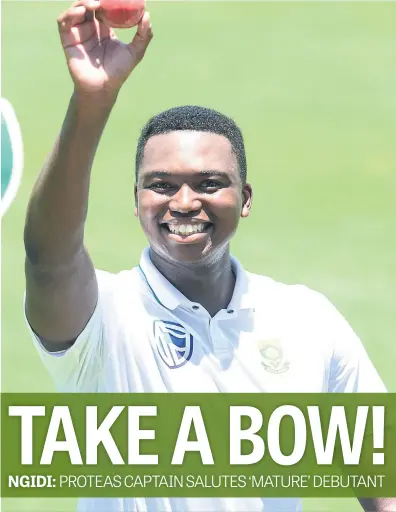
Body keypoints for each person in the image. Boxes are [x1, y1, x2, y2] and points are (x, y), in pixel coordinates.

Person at [23, 1, 395, 511]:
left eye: (209, 184)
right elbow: (49, 257)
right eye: (161, 185)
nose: (183, 202)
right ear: (136, 203)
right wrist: (92, 102)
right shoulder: (104, 318)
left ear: (244, 200)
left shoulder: (308, 320)